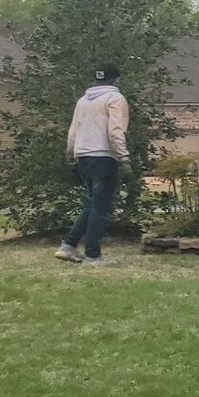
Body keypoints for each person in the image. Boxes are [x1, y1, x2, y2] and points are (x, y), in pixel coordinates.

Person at [56, 63, 129, 266]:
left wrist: (71, 153)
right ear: (116, 80)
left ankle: (69, 245)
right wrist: (123, 157)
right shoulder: (115, 98)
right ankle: (93, 254)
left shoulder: (82, 101)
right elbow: (115, 130)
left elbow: (73, 131)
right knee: (100, 206)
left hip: (83, 156)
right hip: (104, 156)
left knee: (91, 203)